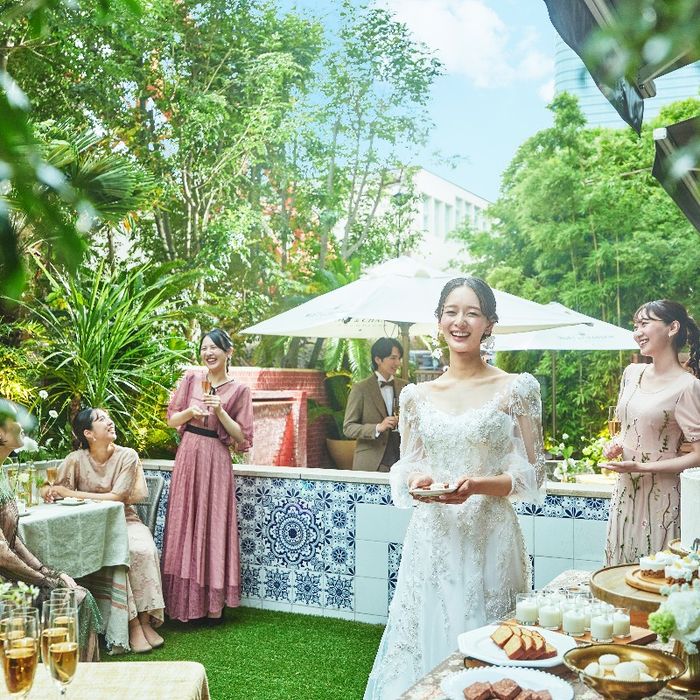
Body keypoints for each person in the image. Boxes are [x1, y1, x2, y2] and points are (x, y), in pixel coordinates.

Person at [364, 278, 545, 699]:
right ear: (439, 321)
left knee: (493, 650)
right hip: (432, 538)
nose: (460, 321)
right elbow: (409, 463)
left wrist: (479, 485)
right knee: (425, 640)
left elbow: (535, 474)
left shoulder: (517, 388)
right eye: (451, 312)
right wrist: (417, 480)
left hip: (491, 536)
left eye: (472, 313)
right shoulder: (415, 396)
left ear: (489, 324)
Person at [44, 407, 165, 653]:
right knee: (116, 555)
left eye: (108, 417)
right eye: (101, 419)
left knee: (142, 550)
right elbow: (52, 488)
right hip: (89, 527)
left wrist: (71, 493)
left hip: (125, 521)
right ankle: (132, 624)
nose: (110, 422)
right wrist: (49, 491)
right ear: (88, 433)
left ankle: (144, 621)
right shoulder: (75, 459)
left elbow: (118, 496)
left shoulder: (127, 455)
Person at [162, 328, 253, 622]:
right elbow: (172, 420)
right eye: (204, 348)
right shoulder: (191, 379)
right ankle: (180, 604)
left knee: (212, 524)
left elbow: (242, 437)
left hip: (216, 458)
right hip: (188, 453)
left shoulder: (240, 390)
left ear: (229, 352)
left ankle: (211, 607)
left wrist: (221, 412)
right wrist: (191, 411)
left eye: (214, 348)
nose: (208, 353)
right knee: (184, 522)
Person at [0, 399, 100, 660]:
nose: (22, 425)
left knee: (78, 595)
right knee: (73, 598)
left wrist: (49, 572)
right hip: (4, 584)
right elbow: (3, 554)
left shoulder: (1, 474)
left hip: (9, 575)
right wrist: (45, 581)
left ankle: (74, 675)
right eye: (14, 420)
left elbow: (12, 541)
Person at [602, 300, 700, 566]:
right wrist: (616, 444)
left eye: (644, 324)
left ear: (673, 328)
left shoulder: (688, 387)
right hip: (624, 494)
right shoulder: (631, 373)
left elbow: (698, 456)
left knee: (655, 575)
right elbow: (629, 428)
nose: (637, 332)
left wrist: (642, 467)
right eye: (635, 326)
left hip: (662, 499)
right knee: (618, 573)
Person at [343, 338, 409, 472]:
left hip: (402, 462)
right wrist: (378, 427)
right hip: (372, 463)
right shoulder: (361, 389)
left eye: (399, 358)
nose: (397, 363)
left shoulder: (405, 387)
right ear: (378, 359)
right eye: (393, 358)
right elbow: (348, 428)